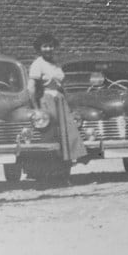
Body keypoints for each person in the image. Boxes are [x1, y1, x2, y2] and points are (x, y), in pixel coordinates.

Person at [27, 33, 88, 169]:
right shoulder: (37, 64)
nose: (48, 49)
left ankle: (65, 166)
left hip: (60, 100)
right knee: (51, 134)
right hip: (47, 100)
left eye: (51, 46)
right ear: (39, 48)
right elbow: (31, 88)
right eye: (45, 46)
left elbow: (61, 84)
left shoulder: (56, 63)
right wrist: (36, 107)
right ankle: (49, 168)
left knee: (67, 132)